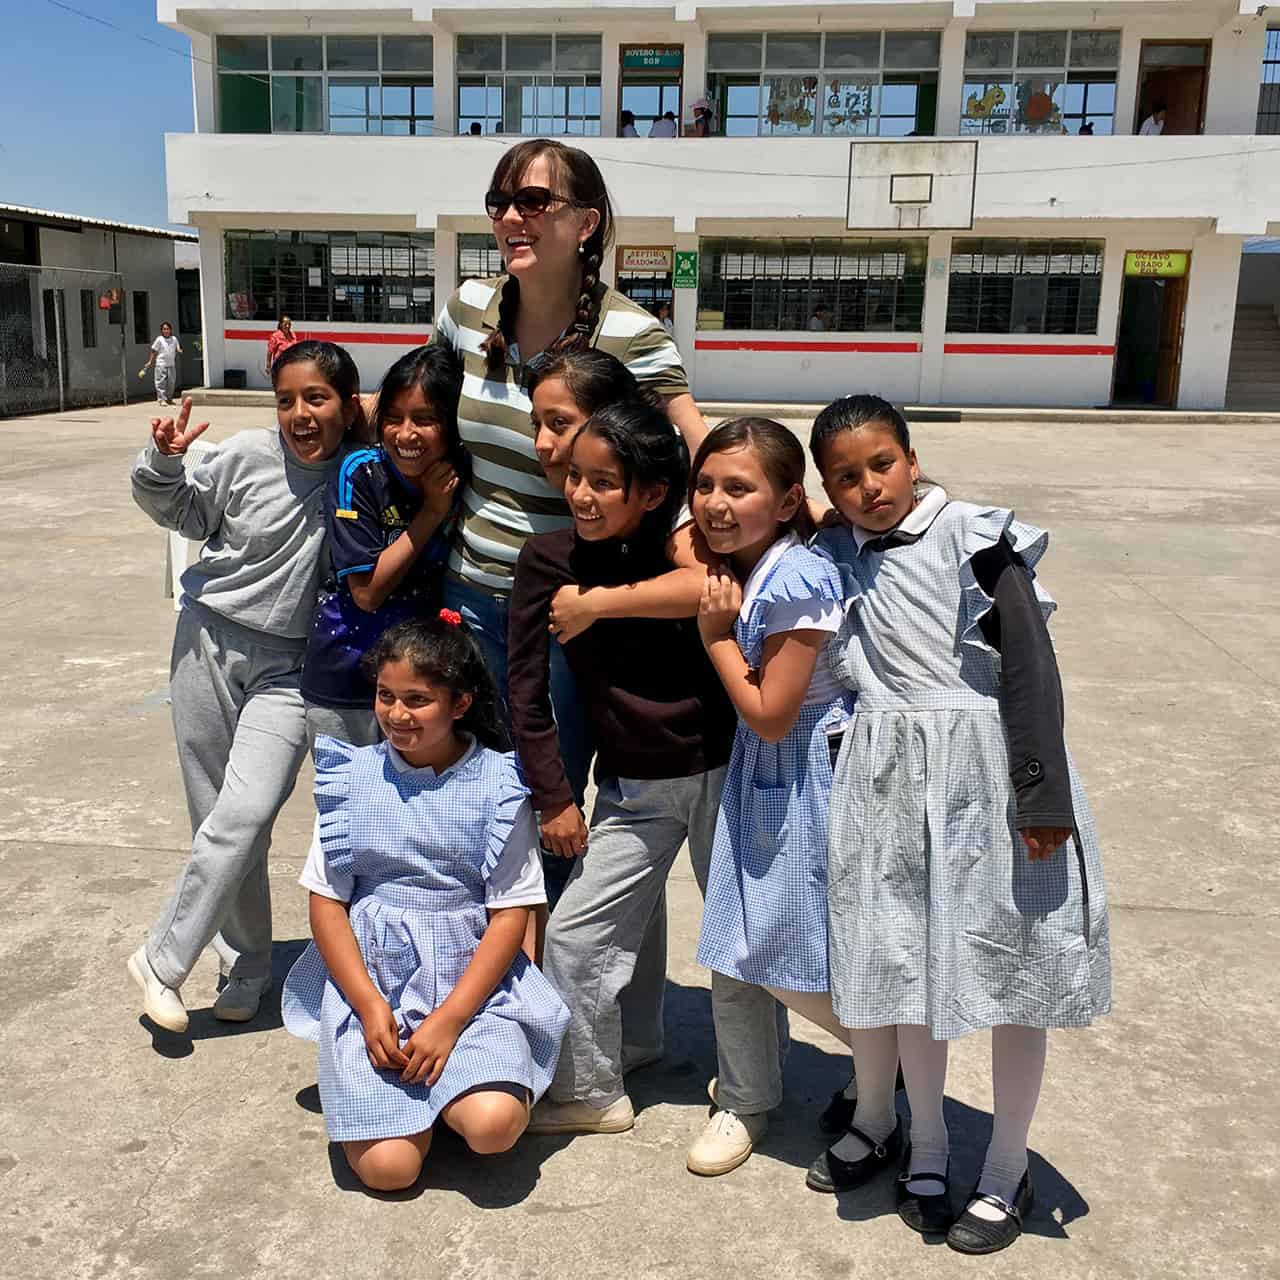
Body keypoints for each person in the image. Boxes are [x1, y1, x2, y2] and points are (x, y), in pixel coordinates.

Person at [808, 395, 1110, 1254]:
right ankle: (926, 1143)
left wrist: (1041, 794)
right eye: (845, 476)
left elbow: (1029, 669)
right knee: (904, 963)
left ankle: (1007, 1164)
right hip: (888, 782)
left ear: (911, 457)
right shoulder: (838, 550)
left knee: (1020, 971)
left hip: (988, 780)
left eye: (882, 464)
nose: (869, 487)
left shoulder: (976, 539)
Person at [510, 397, 787, 1178]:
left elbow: (703, 587)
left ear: (651, 491)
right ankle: (596, 1088)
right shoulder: (548, 560)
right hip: (631, 787)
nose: (583, 495)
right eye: (577, 477)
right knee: (577, 937)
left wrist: (599, 605)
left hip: (729, 774)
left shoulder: (689, 546)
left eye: (607, 482)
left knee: (733, 944)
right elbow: (524, 689)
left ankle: (747, 1099)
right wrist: (555, 795)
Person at [430, 139, 706, 802]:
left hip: (572, 609)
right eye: (499, 203)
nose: (509, 219)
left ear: (586, 223)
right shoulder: (468, 309)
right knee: (482, 802)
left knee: (551, 802)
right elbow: (415, 407)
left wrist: (785, 505)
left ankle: (569, 913)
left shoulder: (631, 334)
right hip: (467, 596)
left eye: (533, 201)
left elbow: (695, 443)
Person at [281, 615, 570, 1192]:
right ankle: (411, 1113)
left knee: (493, 1128)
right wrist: (366, 1006)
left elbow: (511, 913)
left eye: (418, 700)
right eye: (386, 696)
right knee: (390, 1173)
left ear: (460, 704)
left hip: (473, 992)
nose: (396, 714)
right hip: (377, 985)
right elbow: (327, 902)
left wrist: (450, 1021)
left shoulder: (498, 785)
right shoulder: (351, 779)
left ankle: (452, 1096)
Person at [127, 342, 365, 1034]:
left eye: (317, 398)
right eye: (287, 400)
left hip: (292, 670)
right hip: (206, 641)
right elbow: (187, 514)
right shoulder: (244, 454)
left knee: (248, 812)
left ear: (348, 406)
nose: (299, 414)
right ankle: (249, 964)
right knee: (215, 818)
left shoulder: (361, 470)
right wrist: (164, 461)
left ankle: (162, 959)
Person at [689, 417, 855, 1126]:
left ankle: (890, 1055)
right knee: (743, 936)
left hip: (799, 775)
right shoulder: (762, 563)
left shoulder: (800, 577)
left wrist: (717, 638)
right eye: (705, 485)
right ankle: (756, 1089)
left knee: (773, 941)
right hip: (773, 775)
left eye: (739, 488)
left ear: (787, 502)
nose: (716, 503)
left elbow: (772, 712)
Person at [302, 345, 465, 750]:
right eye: (393, 418)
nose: (406, 434)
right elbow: (367, 593)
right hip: (347, 682)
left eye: (425, 419)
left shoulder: (465, 476)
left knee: (420, 811)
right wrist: (430, 512)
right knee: (349, 810)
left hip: (421, 690)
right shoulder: (360, 473)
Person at [142, 321, 182, 405]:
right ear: (162, 330)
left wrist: (179, 350)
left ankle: (169, 399)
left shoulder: (174, 339)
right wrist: (150, 361)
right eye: (164, 329)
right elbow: (153, 350)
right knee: (161, 382)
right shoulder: (159, 339)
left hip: (171, 364)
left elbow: (177, 348)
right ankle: (161, 399)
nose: (166, 330)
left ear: (170, 330)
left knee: (171, 383)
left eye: (167, 329)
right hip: (161, 364)